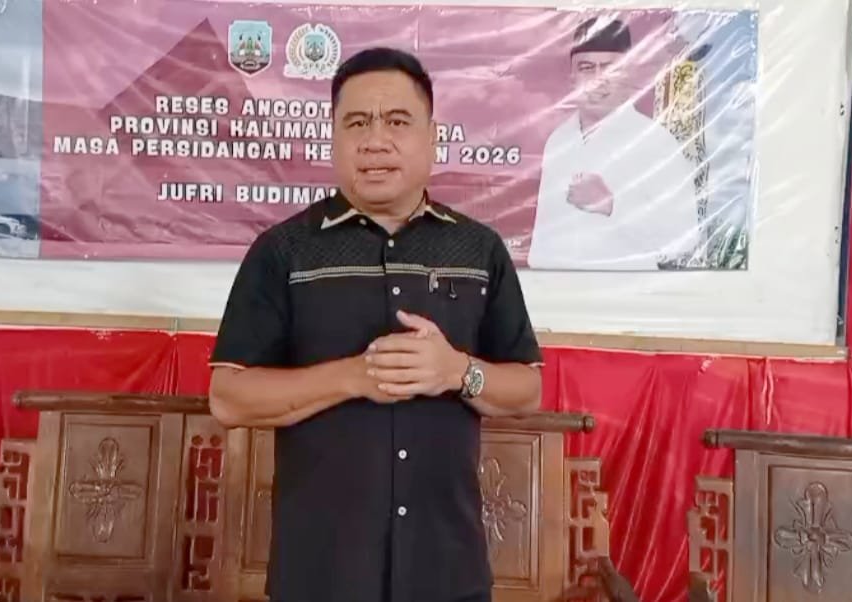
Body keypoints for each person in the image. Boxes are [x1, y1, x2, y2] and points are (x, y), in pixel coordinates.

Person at [208, 47, 544, 602]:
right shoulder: (283, 251)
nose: (375, 141)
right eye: (357, 123)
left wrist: (457, 371)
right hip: (321, 573)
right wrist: (353, 377)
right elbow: (228, 397)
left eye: (398, 121)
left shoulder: (479, 250)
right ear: (333, 137)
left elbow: (527, 389)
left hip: (447, 570)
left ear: (433, 137)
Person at [527, 16, 700, 270]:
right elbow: (544, 239)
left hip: (627, 293)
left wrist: (611, 205)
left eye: (610, 68)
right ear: (572, 77)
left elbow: (684, 238)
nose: (599, 79)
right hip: (556, 290)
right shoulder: (559, 140)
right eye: (587, 68)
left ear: (628, 73)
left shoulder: (654, 142)